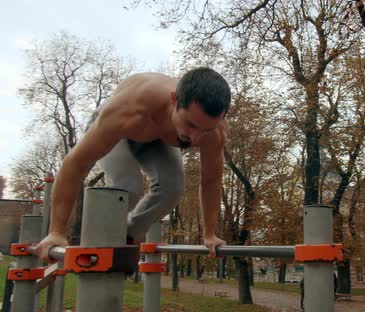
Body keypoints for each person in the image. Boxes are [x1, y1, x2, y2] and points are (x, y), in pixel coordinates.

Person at [34, 67, 231, 261]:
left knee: (172, 188)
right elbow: (75, 164)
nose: (196, 139)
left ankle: (127, 235)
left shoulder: (215, 132)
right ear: (174, 101)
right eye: (190, 125)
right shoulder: (129, 109)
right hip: (119, 130)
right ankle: (96, 237)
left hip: (154, 139)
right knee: (127, 188)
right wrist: (57, 232)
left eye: (206, 130)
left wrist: (210, 234)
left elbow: (211, 181)